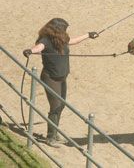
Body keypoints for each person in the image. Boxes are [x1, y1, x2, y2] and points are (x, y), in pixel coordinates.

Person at [23, 18, 98, 147]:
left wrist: (88, 35)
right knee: (56, 106)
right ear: (57, 30)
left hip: (62, 78)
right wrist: (30, 51)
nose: (65, 31)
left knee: (61, 105)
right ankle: (50, 137)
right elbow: (39, 47)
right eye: (64, 29)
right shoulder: (46, 40)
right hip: (50, 78)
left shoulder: (62, 40)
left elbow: (73, 41)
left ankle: (54, 133)